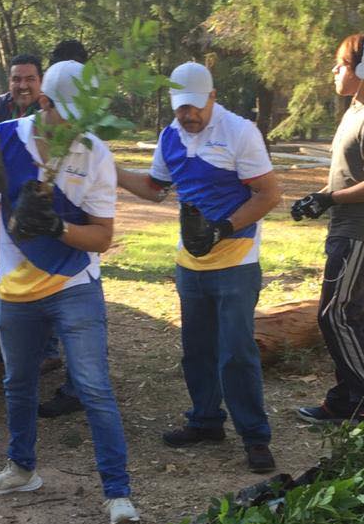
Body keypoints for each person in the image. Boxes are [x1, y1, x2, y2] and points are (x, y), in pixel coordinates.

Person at [0, 60, 140, 524]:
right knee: (18, 383)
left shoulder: (94, 152)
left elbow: (102, 236)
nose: (77, 128)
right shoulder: (4, 138)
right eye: (69, 116)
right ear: (43, 103)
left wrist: (58, 227)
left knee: (94, 387)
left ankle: (117, 494)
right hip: (15, 288)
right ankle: (21, 469)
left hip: (73, 286)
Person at [117, 61, 280, 474]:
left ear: (212, 97)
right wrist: (112, 170)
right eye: (180, 107)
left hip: (236, 259)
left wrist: (223, 227)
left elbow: (268, 195)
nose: (188, 115)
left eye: (195, 106)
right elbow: (155, 189)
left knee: (237, 352)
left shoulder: (240, 132)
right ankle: (206, 420)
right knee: (197, 349)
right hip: (190, 261)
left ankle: (255, 437)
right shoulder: (170, 136)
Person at [291, 33, 364, 423]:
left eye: (340, 64)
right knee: (353, 315)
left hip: (362, 232)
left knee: (334, 315)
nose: (334, 70)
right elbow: (347, 177)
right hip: (346, 228)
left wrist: (332, 200)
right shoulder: (355, 111)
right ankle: (346, 399)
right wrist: (319, 197)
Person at [37, 39, 90, 416]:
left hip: (76, 238)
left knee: (79, 316)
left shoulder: (89, 128)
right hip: (38, 241)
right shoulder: (19, 123)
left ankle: (78, 387)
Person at [0, 54, 43, 123]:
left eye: (30, 79)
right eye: (17, 79)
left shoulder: (49, 108)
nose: (23, 86)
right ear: (9, 82)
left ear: (41, 81)